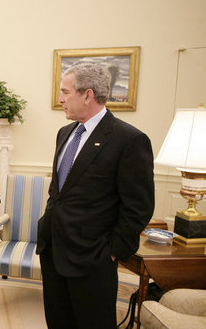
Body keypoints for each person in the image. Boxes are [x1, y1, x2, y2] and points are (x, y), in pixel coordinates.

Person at [36, 63, 155, 328]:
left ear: (87, 95)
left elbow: (139, 207)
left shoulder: (129, 140)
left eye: (65, 92)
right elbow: (59, 192)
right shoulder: (65, 133)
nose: (60, 99)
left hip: (93, 259)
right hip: (53, 250)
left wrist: (112, 252)